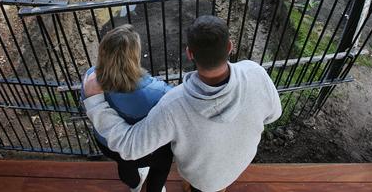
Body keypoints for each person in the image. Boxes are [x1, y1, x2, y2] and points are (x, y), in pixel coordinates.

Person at [83, 15, 282, 192]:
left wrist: (95, 102)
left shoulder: (173, 104)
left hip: (200, 177)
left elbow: (130, 146)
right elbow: (274, 114)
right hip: (239, 162)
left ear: (189, 53)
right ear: (230, 46)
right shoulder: (255, 72)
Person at [81, 24, 172, 192]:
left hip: (108, 143)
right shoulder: (156, 92)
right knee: (162, 165)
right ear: (134, 57)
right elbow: (177, 103)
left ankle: (135, 185)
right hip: (148, 148)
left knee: (124, 163)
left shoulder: (90, 77)